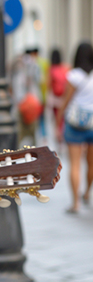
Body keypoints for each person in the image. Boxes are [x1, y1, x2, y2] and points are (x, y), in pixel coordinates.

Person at [56, 42, 93, 214]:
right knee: (91, 164)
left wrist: (58, 120)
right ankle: (87, 193)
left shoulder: (74, 75)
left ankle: (76, 203)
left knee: (75, 164)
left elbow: (66, 100)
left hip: (74, 124)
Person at [46, 48, 70, 143]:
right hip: (65, 97)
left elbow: (48, 85)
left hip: (56, 98)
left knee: (57, 119)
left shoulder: (51, 69)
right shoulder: (66, 68)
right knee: (64, 119)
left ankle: (58, 136)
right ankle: (63, 135)